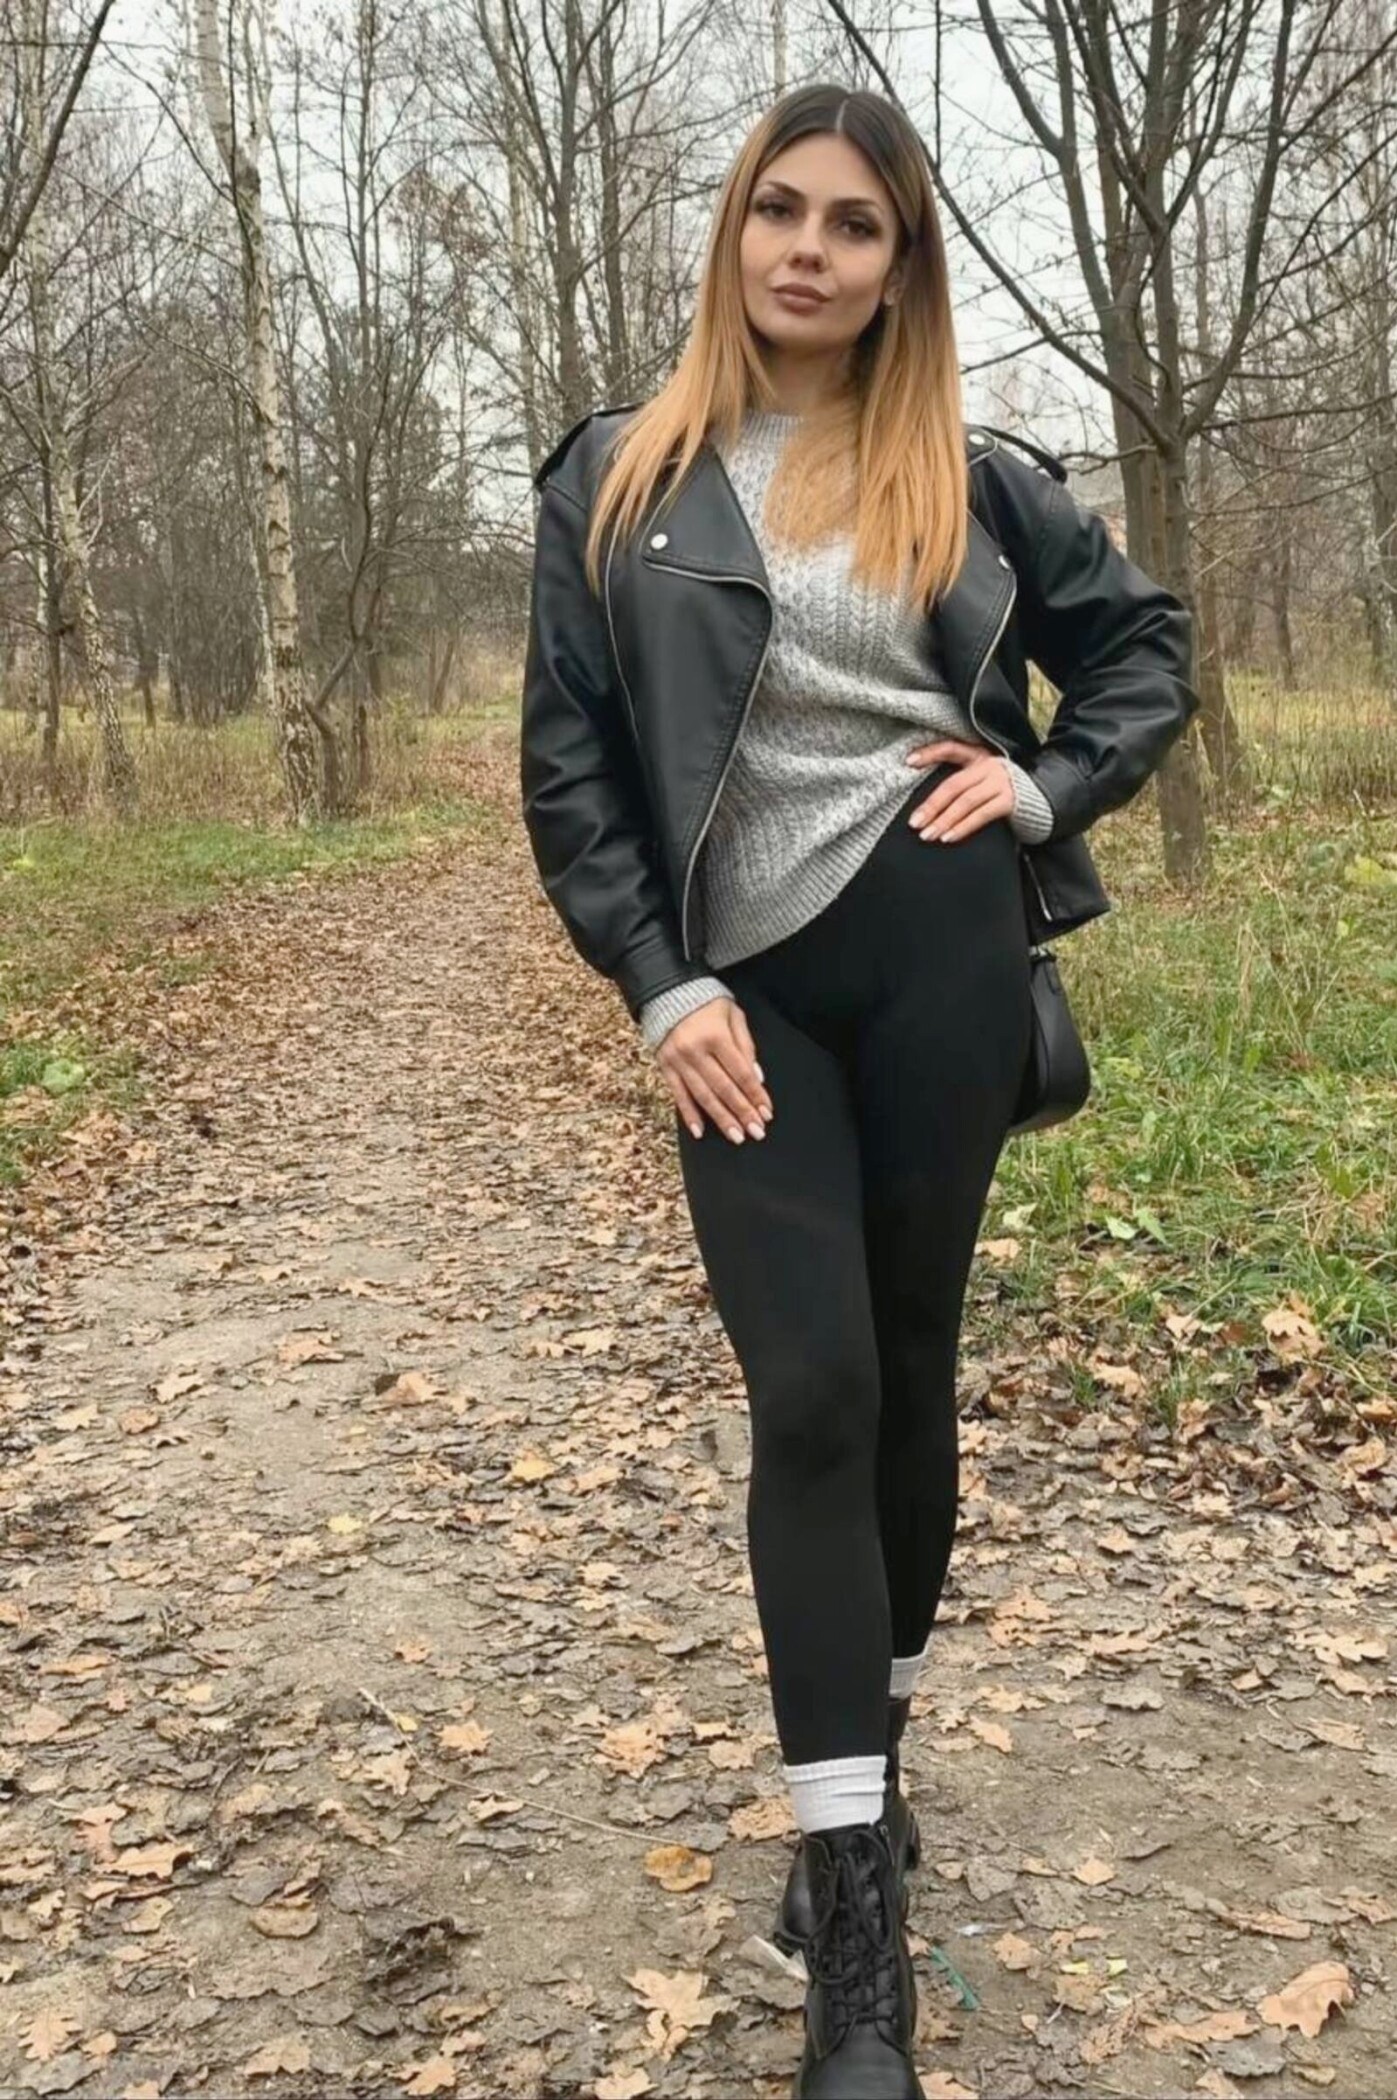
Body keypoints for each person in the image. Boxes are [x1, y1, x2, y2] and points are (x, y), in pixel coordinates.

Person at [520, 82, 1197, 2100]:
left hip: (938, 966)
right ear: (735, 230)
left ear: (901, 267)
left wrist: (1045, 787)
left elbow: (1143, 653)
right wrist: (658, 985)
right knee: (809, 1390)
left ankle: (860, 1817)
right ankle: (856, 1950)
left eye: (854, 225)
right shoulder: (619, 479)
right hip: (743, 1007)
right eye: (780, 211)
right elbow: (571, 767)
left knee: (901, 1372)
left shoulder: (973, 478)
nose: (808, 250)